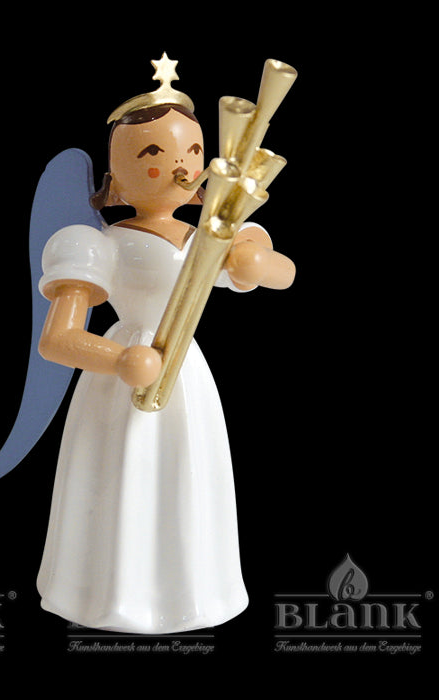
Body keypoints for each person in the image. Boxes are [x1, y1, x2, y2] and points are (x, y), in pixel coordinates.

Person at [35, 54, 295, 634]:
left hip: (185, 375)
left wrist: (254, 261)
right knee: (117, 477)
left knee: (187, 474)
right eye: (154, 153)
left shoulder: (214, 234)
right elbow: (58, 339)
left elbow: (285, 273)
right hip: (123, 376)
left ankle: (192, 592)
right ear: (115, 175)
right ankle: (104, 593)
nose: (181, 166)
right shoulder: (97, 242)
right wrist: (120, 358)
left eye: (194, 152)